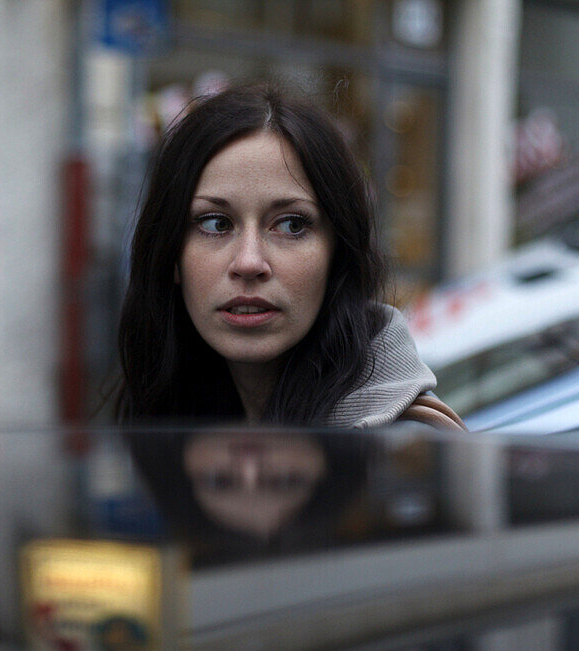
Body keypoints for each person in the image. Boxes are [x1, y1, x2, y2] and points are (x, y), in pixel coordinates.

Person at [116, 83, 464, 430]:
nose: (249, 262)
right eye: (215, 223)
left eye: (292, 225)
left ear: (337, 254)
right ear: (171, 254)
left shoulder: (402, 453)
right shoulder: (182, 420)